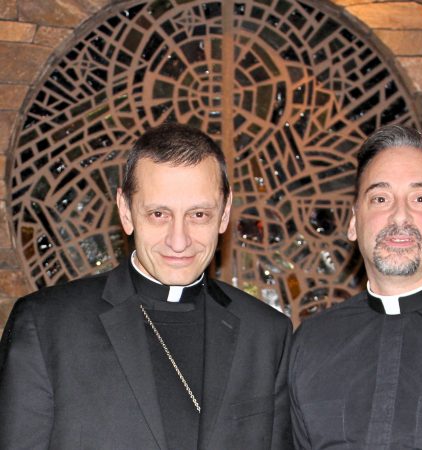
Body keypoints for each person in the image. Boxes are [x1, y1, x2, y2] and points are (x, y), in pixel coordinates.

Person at [0, 123, 293, 450]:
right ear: (126, 212)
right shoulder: (46, 325)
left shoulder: (266, 334)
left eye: (198, 214)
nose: (179, 241)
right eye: (158, 214)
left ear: (224, 214)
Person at [289, 124, 422, 449]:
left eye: (421, 198)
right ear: (353, 222)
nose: (400, 216)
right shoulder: (311, 343)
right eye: (380, 198)